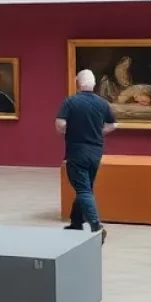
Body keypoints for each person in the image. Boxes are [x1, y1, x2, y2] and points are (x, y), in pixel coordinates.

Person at [56, 69, 117, 242]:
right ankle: (76, 222)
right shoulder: (102, 103)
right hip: (96, 152)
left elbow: (60, 124)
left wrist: (71, 131)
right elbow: (113, 125)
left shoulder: (70, 102)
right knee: (85, 187)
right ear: (94, 84)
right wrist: (97, 132)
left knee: (83, 189)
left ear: (78, 83)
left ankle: (96, 226)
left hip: (77, 151)